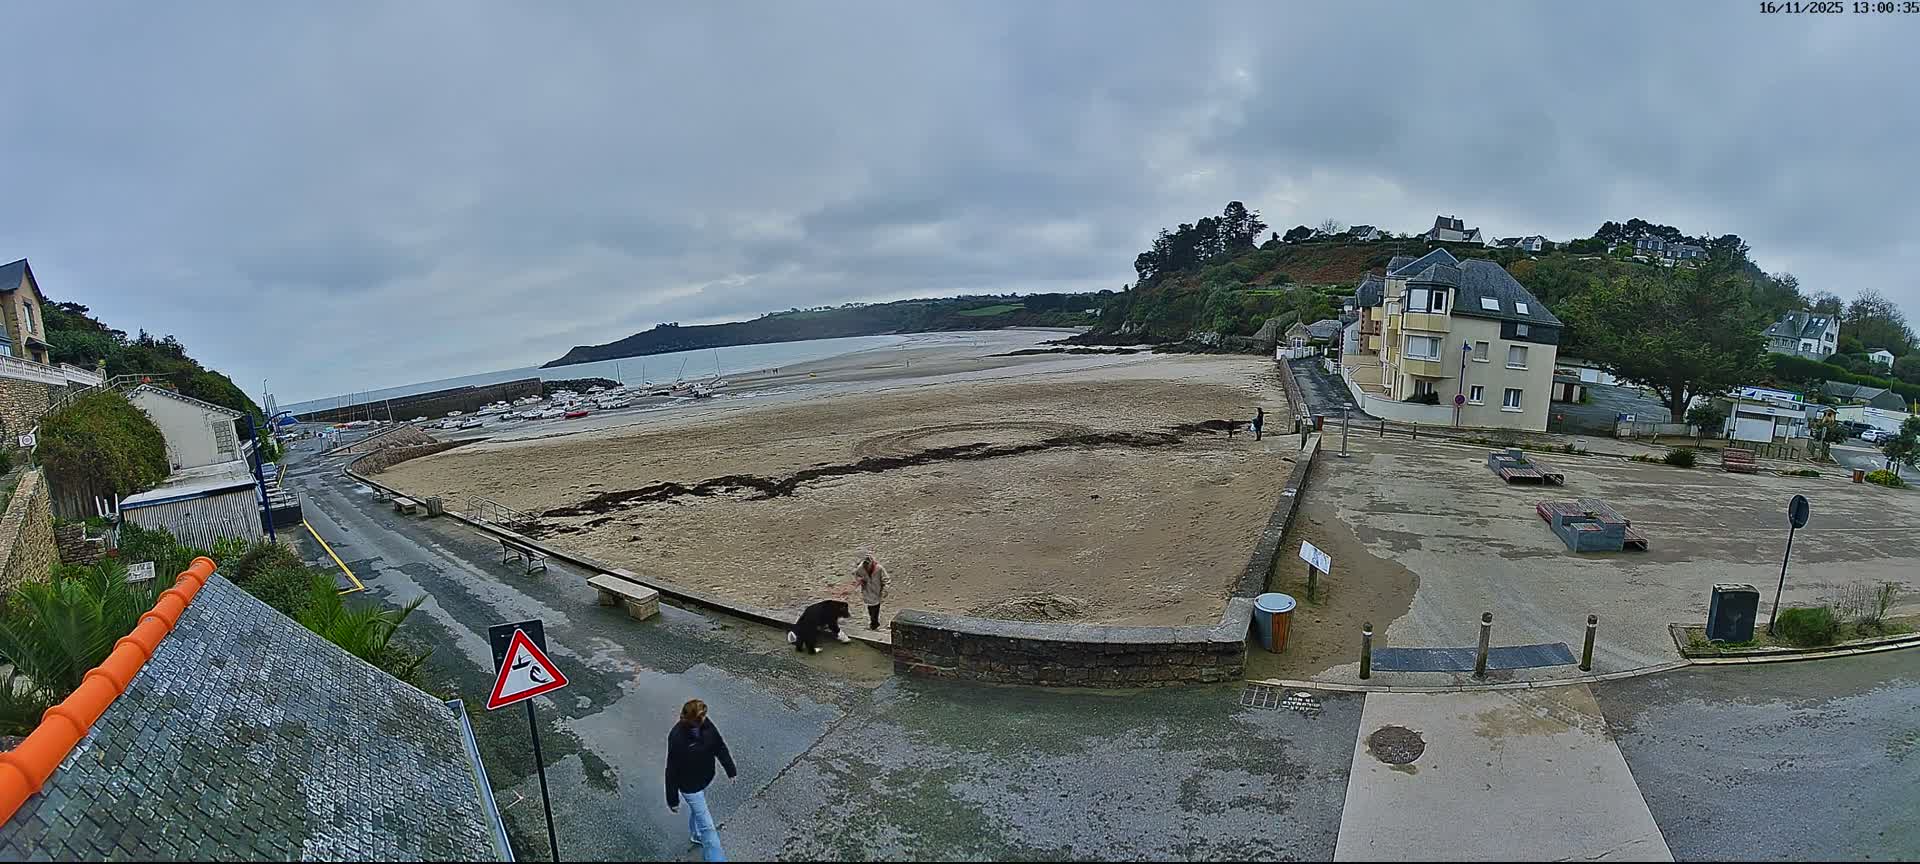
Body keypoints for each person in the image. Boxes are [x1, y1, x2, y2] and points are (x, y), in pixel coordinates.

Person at [666, 699, 736, 862]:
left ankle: (696, 835)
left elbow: (719, 746)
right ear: (690, 719)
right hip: (690, 788)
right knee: (708, 828)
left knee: (697, 812)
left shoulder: (707, 725)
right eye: (701, 717)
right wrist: (672, 800)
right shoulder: (677, 738)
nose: (705, 718)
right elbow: (671, 770)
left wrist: (730, 770)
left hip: (705, 778)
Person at [852, 551, 888, 630]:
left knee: (876, 607)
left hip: (877, 590)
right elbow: (856, 575)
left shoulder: (879, 568)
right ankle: (874, 622)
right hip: (867, 590)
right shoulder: (860, 568)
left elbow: (885, 579)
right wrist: (860, 580)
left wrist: (885, 589)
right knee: (871, 607)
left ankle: (874, 622)